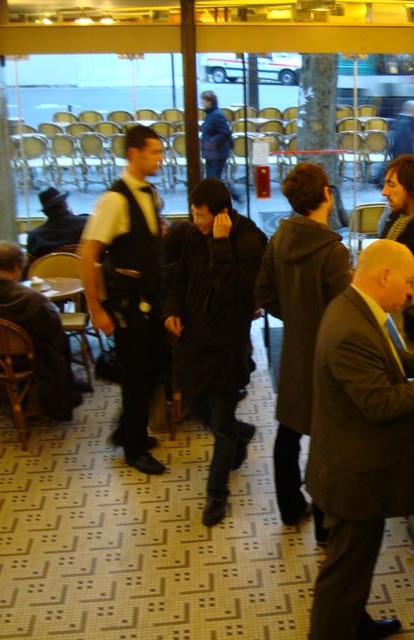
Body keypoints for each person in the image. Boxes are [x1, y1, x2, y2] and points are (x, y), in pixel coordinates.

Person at [306, 240, 414, 639]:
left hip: (354, 467)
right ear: (384, 276)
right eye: (409, 281)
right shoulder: (350, 330)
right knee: (342, 573)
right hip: (352, 477)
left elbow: (387, 360)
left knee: (357, 564)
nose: (411, 291)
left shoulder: (356, 308)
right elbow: (381, 403)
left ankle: (355, 625)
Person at [255, 163, 351, 540]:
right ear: (326, 194)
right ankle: (325, 528)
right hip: (327, 355)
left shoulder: (278, 239)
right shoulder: (333, 252)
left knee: (290, 430)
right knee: (326, 440)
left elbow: (262, 294)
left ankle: (290, 507)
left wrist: (295, 314)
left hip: (294, 349)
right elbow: (343, 314)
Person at [164, 179, 266, 526]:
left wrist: (220, 245)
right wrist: (170, 310)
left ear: (221, 215)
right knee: (200, 406)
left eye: (202, 216)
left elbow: (233, 292)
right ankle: (241, 434)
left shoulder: (250, 241)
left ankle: (216, 496)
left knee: (220, 423)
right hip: (193, 343)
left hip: (227, 346)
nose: (196, 222)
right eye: (193, 214)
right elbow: (179, 279)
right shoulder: (193, 235)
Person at [80, 125, 169, 476]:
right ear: (134, 153)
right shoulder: (114, 200)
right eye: (154, 152)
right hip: (128, 303)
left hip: (150, 297)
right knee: (135, 375)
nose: (161, 158)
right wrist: (96, 308)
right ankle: (133, 447)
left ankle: (128, 428)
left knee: (153, 367)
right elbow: (88, 255)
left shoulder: (147, 194)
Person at [0, 241, 82, 421]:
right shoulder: (30, 298)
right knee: (61, 340)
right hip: (20, 360)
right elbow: (52, 328)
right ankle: (60, 398)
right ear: (18, 266)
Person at [26, 188, 90, 258]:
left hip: (50, 268)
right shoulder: (88, 223)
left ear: (46, 213)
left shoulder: (35, 237)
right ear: (65, 204)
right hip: (86, 268)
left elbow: (32, 265)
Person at [200, 90, 231, 180]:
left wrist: (211, 142)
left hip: (217, 152)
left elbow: (225, 132)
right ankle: (231, 192)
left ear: (209, 102)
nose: (201, 102)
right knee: (212, 178)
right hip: (212, 151)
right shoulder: (210, 114)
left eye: (203, 100)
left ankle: (233, 193)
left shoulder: (216, 115)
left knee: (213, 178)